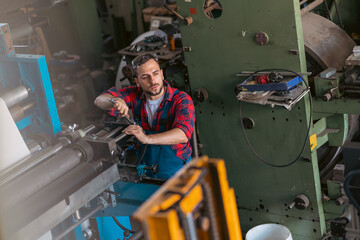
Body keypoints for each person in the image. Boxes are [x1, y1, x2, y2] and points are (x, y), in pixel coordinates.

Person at [94, 52, 195, 179]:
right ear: (137, 81)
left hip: (178, 172)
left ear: (162, 74)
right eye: (145, 77)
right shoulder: (134, 94)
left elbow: (183, 134)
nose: (152, 80)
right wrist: (114, 101)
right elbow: (99, 100)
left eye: (155, 73)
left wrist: (147, 138)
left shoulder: (181, 99)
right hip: (146, 170)